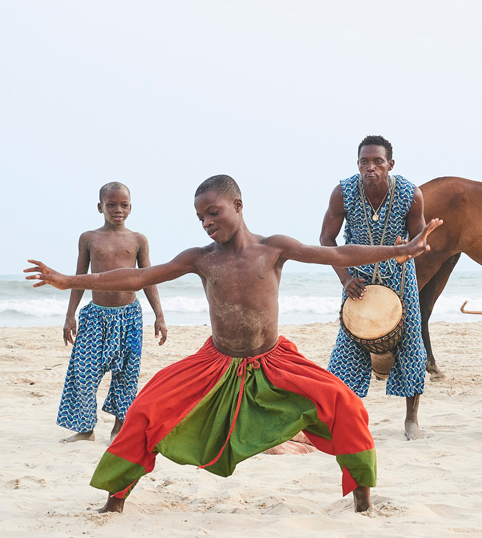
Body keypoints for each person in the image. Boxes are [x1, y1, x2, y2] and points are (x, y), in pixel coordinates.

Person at [25, 174, 442, 513]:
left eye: (213, 212)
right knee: (145, 412)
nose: (206, 222)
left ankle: (363, 499)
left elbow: (334, 253)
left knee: (345, 405)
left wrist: (401, 249)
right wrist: (68, 281)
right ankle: (114, 502)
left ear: (237, 207)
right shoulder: (200, 258)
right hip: (216, 363)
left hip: (275, 361)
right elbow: (135, 278)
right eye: (200, 217)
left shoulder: (273, 248)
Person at [320, 135, 429, 441]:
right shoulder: (343, 192)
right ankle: (346, 418)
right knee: (348, 347)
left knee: (411, 345)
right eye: (364, 162)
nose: (370, 168)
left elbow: (418, 243)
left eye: (377, 161)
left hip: (400, 277)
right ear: (358, 165)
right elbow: (326, 240)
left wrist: (408, 249)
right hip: (357, 280)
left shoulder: (411, 194)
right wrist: (345, 280)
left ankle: (411, 420)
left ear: (390, 165)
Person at [58, 182, 167, 444]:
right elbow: (79, 278)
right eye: (111, 205)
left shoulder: (138, 240)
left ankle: (119, 429)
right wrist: (70, 315)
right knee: (84, 373)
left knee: (127, 376)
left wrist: (159, 315)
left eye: (123, 205)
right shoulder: (89, 238)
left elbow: (147, 279)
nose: (118, 210)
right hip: (95, 316)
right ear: (100, 207)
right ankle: (85, 430)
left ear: (130, 207)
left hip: (129, 316)